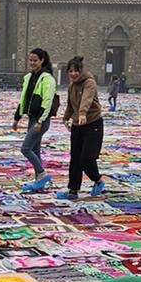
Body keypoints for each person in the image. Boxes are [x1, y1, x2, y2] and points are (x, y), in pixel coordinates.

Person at [58, 57, 104, 200]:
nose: (73, 74)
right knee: (75, 158)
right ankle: (73, 190)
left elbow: (87, 98)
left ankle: (98, 180)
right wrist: (66, 117)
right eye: (71, 71)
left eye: (76, 71)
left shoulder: (89, 83)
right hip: (78, 125)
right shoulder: (71, 87)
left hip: (92, 123)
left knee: (86, 158)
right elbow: (71, 104)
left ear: (81, 70)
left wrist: (83, 113)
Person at [16, 48, 58, 193]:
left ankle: (42, 174)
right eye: (31, 60)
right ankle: (39, 185)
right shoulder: (29, 77)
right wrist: (17, 117)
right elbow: (23, 99)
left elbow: (47, 101)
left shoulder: (47, 79)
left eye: (35, 60)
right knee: (35, 150)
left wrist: (40, 121)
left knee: (25, 149)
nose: (32, 63)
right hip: (32, 118)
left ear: (42, 61)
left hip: (41, 120)